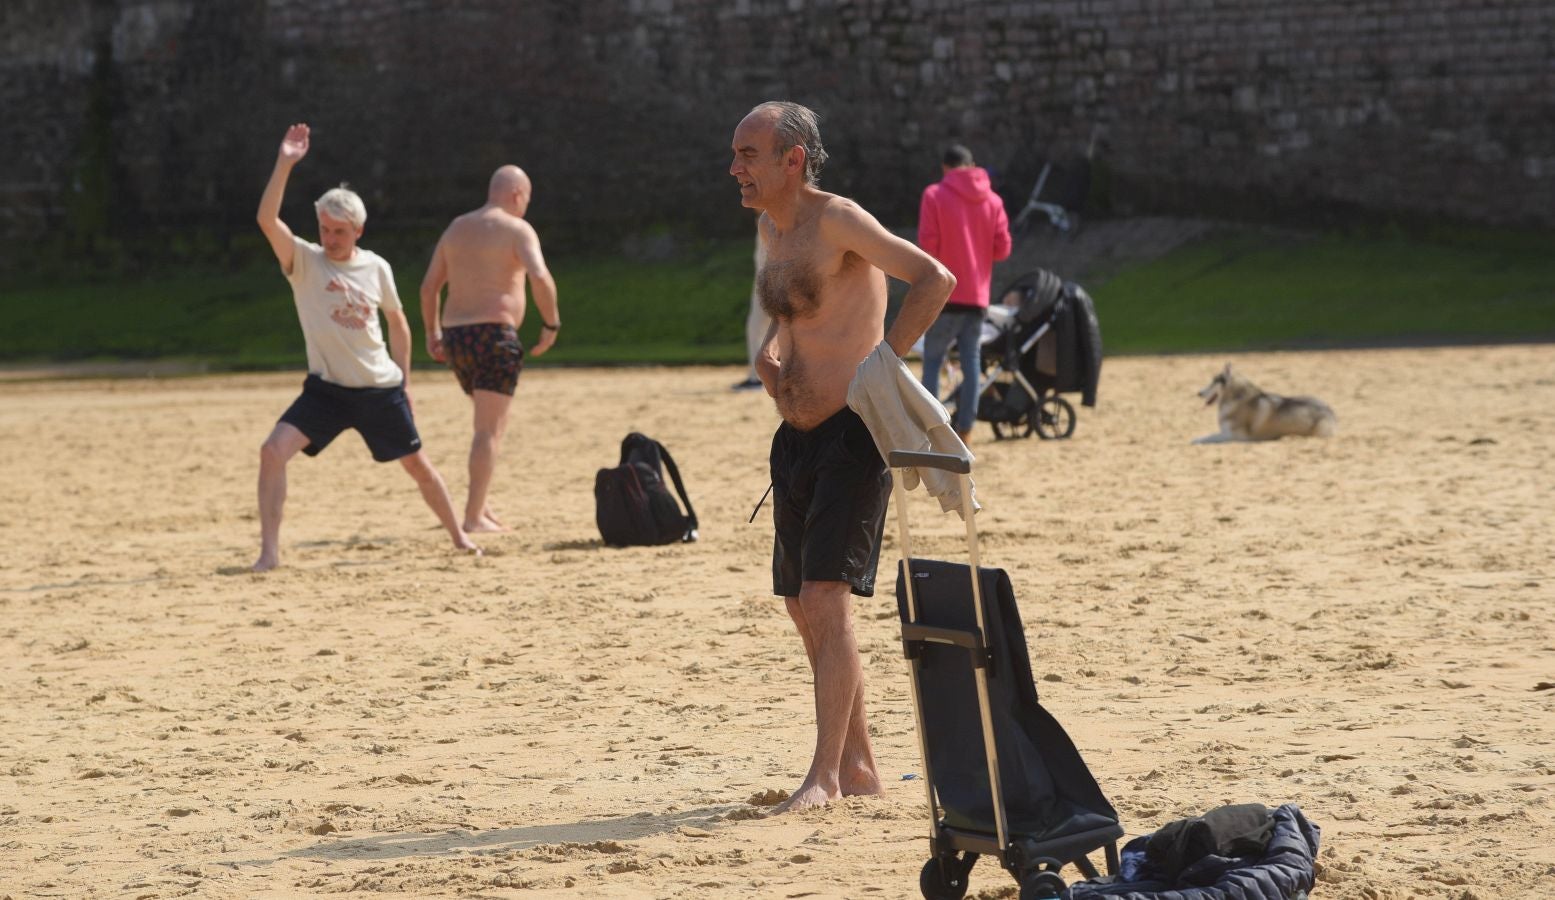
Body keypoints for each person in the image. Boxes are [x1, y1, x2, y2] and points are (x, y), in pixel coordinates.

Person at [730, 101, 955, 812]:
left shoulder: (839, 219)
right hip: (794, 439)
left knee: (827, 599)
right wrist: (772, 354)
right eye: (735, 155)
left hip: (852, 434)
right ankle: (857, 767)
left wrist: (884, 362)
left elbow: (933, 277)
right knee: (805, 607)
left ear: (792, 159)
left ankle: (823, 778)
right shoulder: (771, 226)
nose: (734, 168)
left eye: (748, 154)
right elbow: (792, 314)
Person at [252, 123, 478, 571]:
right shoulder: (304, 261)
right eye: (324, 228)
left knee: (418, 466)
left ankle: (459, 536)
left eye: (339, 231)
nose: (330, 238)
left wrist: (406, 383)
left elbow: (398, 323)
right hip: (327, 392)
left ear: (358, 230)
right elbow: (266, 220)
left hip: (379, 389)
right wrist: (285, 163)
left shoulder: (376, 267)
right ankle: (269, 554)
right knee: (272, 451)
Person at [420, 165, 559, 533]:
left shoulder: (456, 227)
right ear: (517, 194)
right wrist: (551, 323)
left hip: (457, 337)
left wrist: (432, 333)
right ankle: (473, 516)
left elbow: (429, 287)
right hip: (495, 335)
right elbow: (540, 276)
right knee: (489, 431)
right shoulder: (516, 229)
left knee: (485, 424)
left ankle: (481, 506)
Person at [916, 143, 1012, 442]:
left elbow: (928, 247)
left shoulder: (934, 195)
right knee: (971, 361)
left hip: (945, 293)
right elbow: (1003, 249)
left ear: (946, 168)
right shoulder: (993, 200)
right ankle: (966, 429)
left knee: (933, 360)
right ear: (972, 165)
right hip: (977, 296)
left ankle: (933, 429)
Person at [732, 227, 770, 391]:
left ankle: (759, 378)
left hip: (771, 283)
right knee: (758, 330)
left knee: (758, 330)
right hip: (763, 284)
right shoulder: (766, 219)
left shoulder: (776, 219)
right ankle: (760, 376)